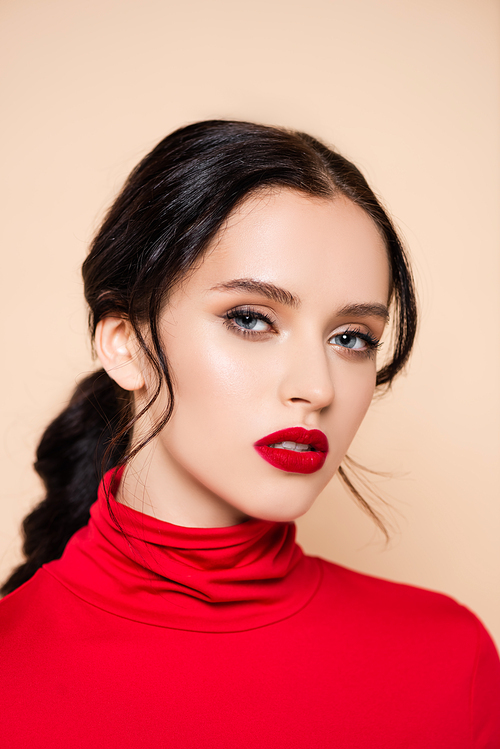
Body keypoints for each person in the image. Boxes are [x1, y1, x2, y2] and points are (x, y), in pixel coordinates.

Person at [1, 120, 499, 747]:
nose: (318, 388)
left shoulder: (449, 662)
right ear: (124, 344)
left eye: (351, 338)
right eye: (251, 319)